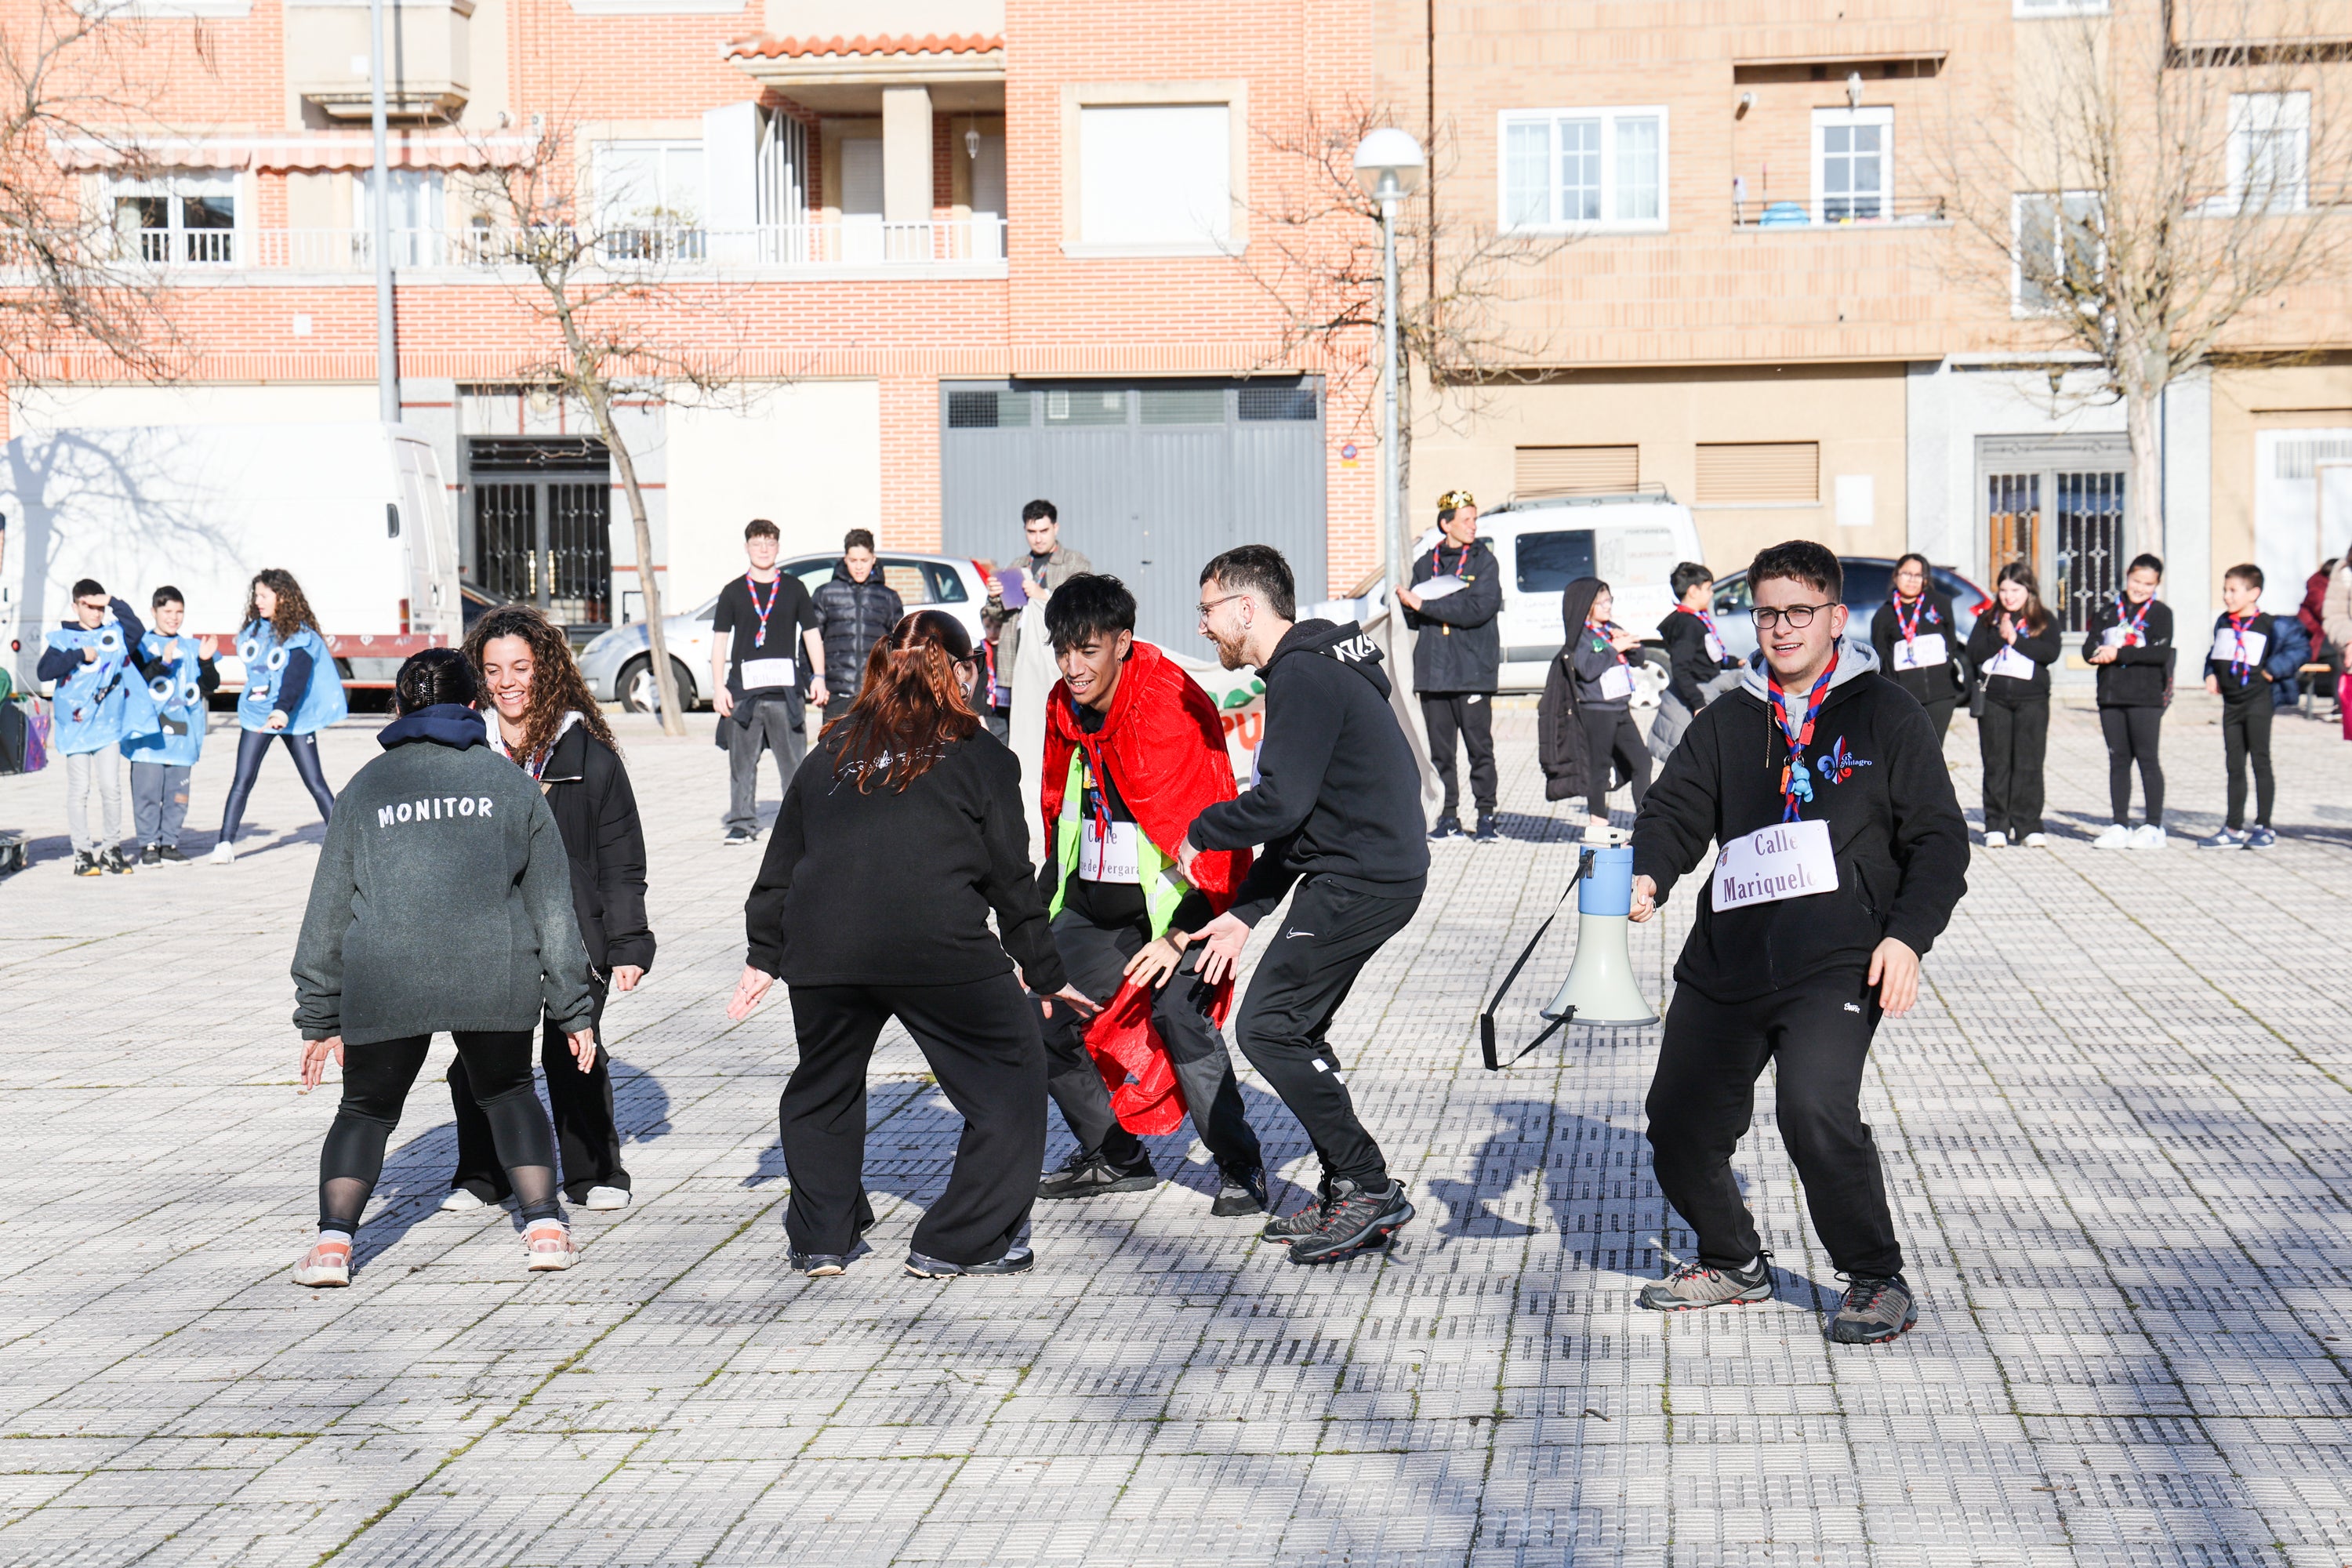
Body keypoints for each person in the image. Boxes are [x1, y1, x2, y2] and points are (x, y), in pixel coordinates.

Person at [1627, 539, 1969, 1345]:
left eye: (1798, 612)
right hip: (1727, 958)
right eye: (1767, 611)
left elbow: (1939, 840)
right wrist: (1649, 874)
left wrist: (1908, 937)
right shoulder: (1729, 717)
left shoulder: (1886, 712)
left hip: (1838, 958)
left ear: (1834, 618)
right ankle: (1733, 1257)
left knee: (1812, 1109)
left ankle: (1875, 1275)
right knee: (1677, 1124)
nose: (1780, 628)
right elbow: (1675, 813)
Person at [729, 611, 1089, 1279]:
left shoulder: (832, 748)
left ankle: (820, 1239)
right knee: (1012, 1080)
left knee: (824, 1088)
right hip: (936, 948)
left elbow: (780, 864)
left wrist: (763, 953)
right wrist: (1042, 972)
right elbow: (1011, 876)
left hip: (825, 949)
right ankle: (959, 1240)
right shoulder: (981, 754)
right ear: (962, 673)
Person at [288, 648, 597, 1288]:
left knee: (367, 1111)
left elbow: (326, 910)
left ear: (399, 707)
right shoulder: (511, 785)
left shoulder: (366, 789)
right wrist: (574, 1008)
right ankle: (544, 1229)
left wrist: (319, 1015)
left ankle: (332, 1248)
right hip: (493, 973)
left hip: (386, 979)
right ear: (475, 704)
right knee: (509, 1093)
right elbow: (553, 910)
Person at [1178, 545, 1426, 1266]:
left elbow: (1279, 805)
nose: (1203, 627)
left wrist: (1202, 829)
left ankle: (1369, 1185)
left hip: (1362, 879)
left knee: (1267, 1028)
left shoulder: (1303, 676)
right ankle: (1351, 1182)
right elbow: (1302, 817)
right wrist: (1247, 911)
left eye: (1208, 610)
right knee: (1297, 1027)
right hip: (1360, 870)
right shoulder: (1313, 668)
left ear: (1246, 609)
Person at [1029, 573, 1268, 1214]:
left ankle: (1240, 1164)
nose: (1073, 667)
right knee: (1042, 1008)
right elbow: (1059, 816)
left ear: (1124, 643)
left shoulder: (1167, 705)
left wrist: (1177, 937)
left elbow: (1212, 838)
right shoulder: (1061, 705)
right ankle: (1116, 1155)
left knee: (1181, 1015)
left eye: (1089, 650)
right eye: (1063, 650)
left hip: (1180, 911)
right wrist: (1029, 920)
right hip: (1090, 904)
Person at [441, 604, 655, 1214]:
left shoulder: (588, 756)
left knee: (574, 1049)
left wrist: (629, 943)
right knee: (481, 1060)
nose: (507, 681)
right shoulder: (462, 757)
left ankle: (594, 1172)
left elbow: (621, 861)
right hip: (488, 935)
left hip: (575, 934)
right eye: (493, 669)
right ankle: (484, 1172)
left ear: (547, 671)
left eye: (521, 667)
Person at [214, 568, 344, 862]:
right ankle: (224, 843)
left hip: (293, 717)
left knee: (315, 781)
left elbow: (295, 677)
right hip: (257, 716)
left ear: (282, 597)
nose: (258, 601)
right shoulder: (254, 632)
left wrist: (282, 709)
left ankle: (344, 841)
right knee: (243, 779)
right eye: (256, 595)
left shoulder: (300, 636)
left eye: (264, 595)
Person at [712, 519, 827, 847]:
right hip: (743, 694)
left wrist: (818, 676)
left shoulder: (794, 589)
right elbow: (720, 641)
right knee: (742, 764)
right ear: (747, 547)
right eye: (757, 543)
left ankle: (798, 828)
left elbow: (811, 635)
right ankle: (742, 823)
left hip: (785, 694)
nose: (764, 549)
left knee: (794, 766)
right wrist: (719, 686)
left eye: (770, 543)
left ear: (778, 546)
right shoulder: (733, 591)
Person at [1397, 489, 1502, 841]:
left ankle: (1486, 815)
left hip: (1472, 670)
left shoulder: (1484, 562)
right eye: (1467, 520)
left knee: (1479, 749)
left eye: (1475, 520)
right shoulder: (1425, 564)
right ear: (1446, 524)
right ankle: (1448, 815)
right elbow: (1413, 616)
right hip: (1434, 672)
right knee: (1441, 753)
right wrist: (1407, 607)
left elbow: (1478, 610)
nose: (1474, 526)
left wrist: (1423, 606)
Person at [37, 579, 147, 875]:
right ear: (76, 607)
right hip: (76, 730)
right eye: (89, 606)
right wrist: (77, 655)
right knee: (80, 790)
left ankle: (112, 848)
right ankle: (82, 852)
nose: (96, 613)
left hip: (108, 727)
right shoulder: (63, 639)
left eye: (100, 607)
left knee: (111, 788)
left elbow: (136, 631)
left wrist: (114, 601)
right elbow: (44, 671)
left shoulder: (114, 635)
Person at [1540, 578, 1652, 836]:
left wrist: (1630, 643)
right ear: (1587, 606)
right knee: (1598, 766)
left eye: (1609, 600)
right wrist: (1613, 648)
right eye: (1601, 602)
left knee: (1642, 761)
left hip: (1620, 707)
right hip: (1596, 710)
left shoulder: (1610, 628)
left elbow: (1638, 658)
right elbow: (1588, 670)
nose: (1607, 606)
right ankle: (1598, 822)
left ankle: (1645, 822)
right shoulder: (1581, 635)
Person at [122, 585, 221, 865]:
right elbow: (138, 680)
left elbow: (209, 686)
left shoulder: (191, 647)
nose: (174, 617)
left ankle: (170, 842)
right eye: (168, 611)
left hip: (182, 738)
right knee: (148, 793)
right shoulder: (141, 645)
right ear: (154, 612)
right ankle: (149, 844)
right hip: (147, 739)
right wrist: (164, 662)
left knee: (177, 794)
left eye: (179, 611)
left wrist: (206, 662)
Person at [1964, 563, 2060, 848]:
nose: (2009, 596)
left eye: (2015, 590)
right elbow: (1974, 653)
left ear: (2028, 590)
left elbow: (2050, 653)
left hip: (2032, 700)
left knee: (2029, 763)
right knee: (1996, 762)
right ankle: (1996, 823)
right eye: (2003, 590)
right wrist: (1999, 635)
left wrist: (2015, 639)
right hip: (1995, 700)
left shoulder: (2043, 619)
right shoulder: (1987, 619)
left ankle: (2028, 824)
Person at [2084, 554, 2174, 850]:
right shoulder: (2110, 611)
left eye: (2148, 584)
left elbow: (2160, 653)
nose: (2140, 588)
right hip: (2112, 696)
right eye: (2137, 581)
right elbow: (2089, 648)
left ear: (2157, 584)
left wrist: (2119, 653)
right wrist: (2099, 652)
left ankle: (2153, 824)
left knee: (2147, 759)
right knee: (2118, 760)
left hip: (2146, 697)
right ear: (2127, 576)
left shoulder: (2160, 614)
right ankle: (2119, 823)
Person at [982, 499, 1094, 727]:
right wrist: (994, 595)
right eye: (1032, 532)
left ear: (1056, 528)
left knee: (1059, 719)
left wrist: (1044, 595)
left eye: (1044, 531)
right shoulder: (1018, 564)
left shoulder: (1074, 562)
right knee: (1019, 723)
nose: (1038, 538)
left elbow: (1087, 607)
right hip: (1017, 657)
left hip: (1054, 658)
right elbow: (993, 616)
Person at [2201, 564, 2279, 849]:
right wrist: (2209, 672)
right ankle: (2233, 826)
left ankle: (2264, 825)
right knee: (2234, 765)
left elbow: (2296, 649)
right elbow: (2214, 653)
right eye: (2225, 590)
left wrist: (2275, 668)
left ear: (2254, 593)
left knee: (2260, 761)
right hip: (2231, 703)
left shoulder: (2269, 624)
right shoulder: (2224, 621)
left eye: (2233, 590)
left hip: (2257, 701)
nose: (2227, 596)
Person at [1650, 561, 1740, 763]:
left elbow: (1708, 656)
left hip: (1707, 685)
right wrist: (1698, 702)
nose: (1711, 594)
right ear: (1693, 591)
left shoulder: (1695, 619)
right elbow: (1681, 669)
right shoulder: (1686, 624)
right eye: (1707, 589)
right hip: (1700, 691)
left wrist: (1735, 662)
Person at [1867, 554, 1963, 741]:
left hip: (1940, 694)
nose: (1912, 580)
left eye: (1918, 575)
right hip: (1906, 696)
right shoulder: (1884, 615)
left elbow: (1951, 643)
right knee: (1912, 747)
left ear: (1925, 579)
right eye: (1907, 574)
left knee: (1935, 748)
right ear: (1896, 576)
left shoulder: (1940, 604)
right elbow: (1882, 658)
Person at [811, 529, 903, 709]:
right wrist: (815, 679)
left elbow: (900, 646)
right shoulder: (826, 594)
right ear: (845, 559)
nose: (859, 567)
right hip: (837, 692)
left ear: (874, 559)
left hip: (877, 692)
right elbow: (809, 641)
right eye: (853, 561)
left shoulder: (888, 598)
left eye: (864, 561)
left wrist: (895, 684)